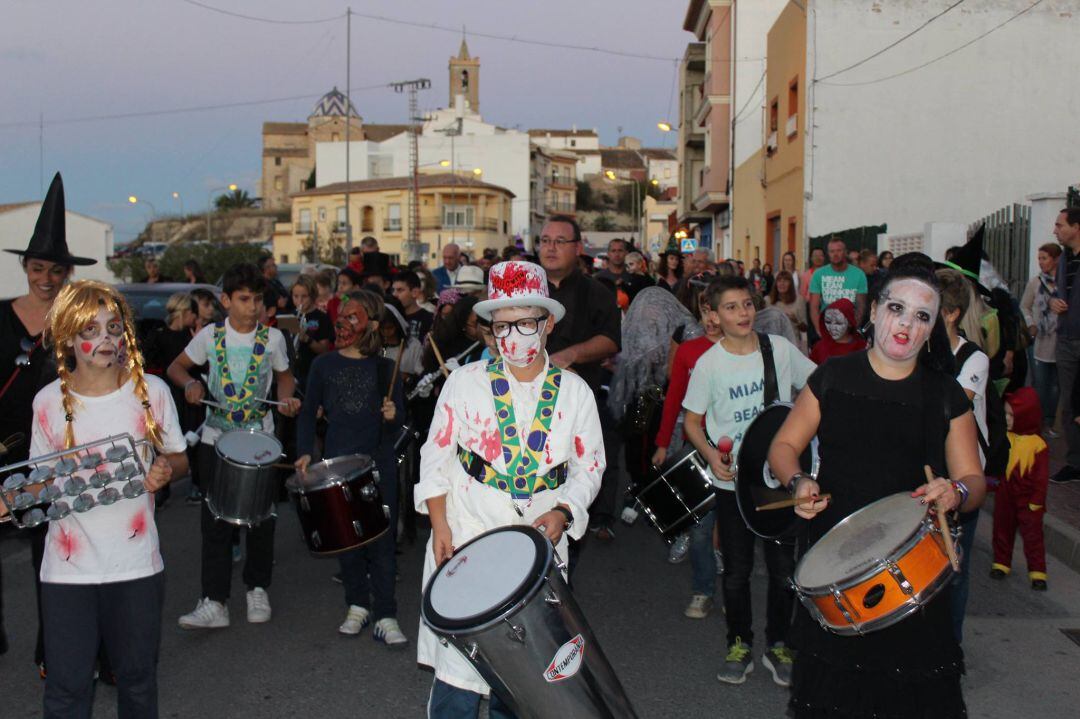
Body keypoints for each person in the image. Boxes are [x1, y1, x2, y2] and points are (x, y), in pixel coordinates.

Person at [769, 253, 985, 719]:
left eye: (921, 316)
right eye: (895, 308)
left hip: (915, 566)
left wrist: (957, 493)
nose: (906, 324)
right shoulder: (833, 377)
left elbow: (974, 480)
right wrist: (799, 479)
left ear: (932, 329)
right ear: (873, 311)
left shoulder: (945, 393)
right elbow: (784, 445)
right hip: (835, 558)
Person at [414, 261, 604, 716]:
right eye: (502, 325)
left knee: (520, 685)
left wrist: (564, 510)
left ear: (548, 323)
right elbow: (436, 455)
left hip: (537, 549)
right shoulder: (464, 383)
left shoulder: (575, 392)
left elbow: (591, 466)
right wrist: (440, 524)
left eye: (525, 322)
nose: (513, 335)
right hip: (467, 533)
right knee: (458, 679)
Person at [31, 280, 188, 717]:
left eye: (114, 327)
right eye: (91, 329)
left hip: (136, 565)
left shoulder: (150, 392)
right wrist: (12, 501)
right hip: (67, 574)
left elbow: (179, 459)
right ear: (67, 338)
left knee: (136, 682)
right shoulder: (47, 402)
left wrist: (165, 470)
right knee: (66, 689)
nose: (105, 339)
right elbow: (39, 481)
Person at [681, 274, 815, 687]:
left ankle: (779, 644)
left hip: (780, 481)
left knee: (783, 570)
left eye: (747, 304)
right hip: (733, 487)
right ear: (714, 315)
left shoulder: (779, 350)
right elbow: (692, 422)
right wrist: (711, 458)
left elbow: (818, 387)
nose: (743, 313)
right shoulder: (708, 364)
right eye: (731, 307)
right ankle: (739, 643)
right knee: (736, 572)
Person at [169, 263, 300, 630]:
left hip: (261, 440)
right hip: (216, 440)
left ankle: (257, 587)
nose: (253, 306)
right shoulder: (210, 337)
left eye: (257, 299)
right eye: (244, 299)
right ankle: (215, 601)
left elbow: (284, 378)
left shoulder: (273, 339)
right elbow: (177, 368)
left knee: (261, 518)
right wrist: (190, 386)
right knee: (215, 520)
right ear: (226, 300)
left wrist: (287, 399)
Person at [0, 172, 93, 666]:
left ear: (66, 274)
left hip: (50, 459)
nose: (46, 278)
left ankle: (49, 652)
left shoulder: (77, 325)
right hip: (1, 456)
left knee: (49, 558)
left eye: (56, 270)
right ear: (25, 266)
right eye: (38, 267)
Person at [294, 290, 408, 644]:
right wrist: (304, 452)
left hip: (379, 464)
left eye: (353, 316)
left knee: (382, 542)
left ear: (372, 324)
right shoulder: (323, 365)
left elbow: (400, 422)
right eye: (342, 314)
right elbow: (307, 412)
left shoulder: (386, 368)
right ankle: (357, 603)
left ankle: (386, 613)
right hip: (338, 465)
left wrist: (392, 417)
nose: (343, 321)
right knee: (347, 539)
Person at [537, 216, 621, 540]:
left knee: (583, 466)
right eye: (545, 240)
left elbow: (611, 340)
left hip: (580, 397)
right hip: (526, 401)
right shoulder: (526, 289)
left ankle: (581, 520)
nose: (551, 248)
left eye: (560, 241)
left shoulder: (596, 292)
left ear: (578, 248)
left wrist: (569, 356)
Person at [649, 283, 724, 607]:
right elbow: (673, 398)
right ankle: (701, 582)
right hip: (693, 439)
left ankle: (715, 551)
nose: (710, 318)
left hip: (732, 444)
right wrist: (663, 443)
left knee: (724, 512)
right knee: (697, 512)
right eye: (705, 311)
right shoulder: (690, 350)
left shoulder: (746, 350)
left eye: (715, 310)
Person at [991, 387, 1049, 590]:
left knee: (1033, 536)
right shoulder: (1005, 436)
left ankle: (1037, 572)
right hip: (1005, 493)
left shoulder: (1037, 445)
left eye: (1011, 415)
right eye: (1005, 413)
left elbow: (1041, 477)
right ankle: (1001, 562)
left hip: (1028, 499)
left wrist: (1037, 500)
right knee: (1002, 528)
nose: (1007, 419)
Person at [1050, 207, 1080, 483]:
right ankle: (1075, 461)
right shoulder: (1064, 261)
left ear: (1076, 226)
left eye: (1060, 225)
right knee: (1069, 401)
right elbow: (1055, 295)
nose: (1055, 230)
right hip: (1066, 340)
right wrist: (1053, 302)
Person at [1021, 243, 1061, 436]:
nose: (1041, 262)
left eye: (1045, 258)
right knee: (1040, 382)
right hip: (1041, 339)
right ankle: (1040, 420)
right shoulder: (1035, 282)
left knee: (1057, 385)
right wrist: (1031, 323)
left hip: (1061, 338)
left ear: (1056, 259)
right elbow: (1025, 306)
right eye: (1039, 258)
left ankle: (1055, 421)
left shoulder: (1065, 282)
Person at [809, 237, 867, 337]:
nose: (835, 254)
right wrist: (820, 331)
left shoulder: (859, 274)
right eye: (832, 251)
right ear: (828, 253)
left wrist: (852, 330)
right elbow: (814, 307)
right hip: (826, 327)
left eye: (839, 250)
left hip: (849, 329)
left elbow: (860, 306)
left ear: (845, 252)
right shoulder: (818, 275)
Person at [290, 274, 332, 387]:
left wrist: (307, 339)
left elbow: (324, 349)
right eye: (295, 296)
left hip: (312, 371)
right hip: (292, 371)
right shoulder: (290, 316)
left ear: (313, 296)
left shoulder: (322, 317)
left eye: (304, 296)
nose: (300, 301)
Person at [809, 298, 866, 364]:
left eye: (838, 323)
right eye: (828, 322)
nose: (832, 327)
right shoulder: (819, 348)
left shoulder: (862, 348)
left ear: (850, 323)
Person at [768, 270, 807, 354]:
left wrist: (796, 320)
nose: (782, 283)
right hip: (772, 346)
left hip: (792, 345)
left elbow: (805, 328)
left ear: (791, 284)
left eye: (785, 280)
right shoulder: (768, 300)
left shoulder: (799, 300)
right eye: (779, 280)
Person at [391, 270, 435, 343]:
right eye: (393, 290)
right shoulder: (391, 318)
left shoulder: (429, 319)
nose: (394, 294)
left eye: (400, 290)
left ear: (414, 292)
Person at [258, 255, 289, 322]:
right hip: (271, 322)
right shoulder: (262, 285)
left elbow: (286, 296)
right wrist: (275, 303)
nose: (276, 267)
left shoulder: (276, 281)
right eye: (274, 265)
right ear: (266, 268)